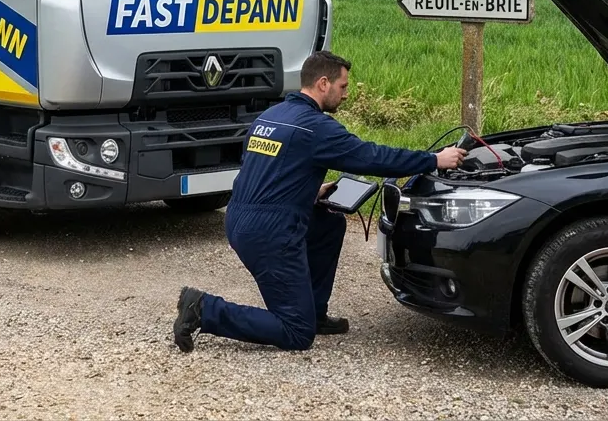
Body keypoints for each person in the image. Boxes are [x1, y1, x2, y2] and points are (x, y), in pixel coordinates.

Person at [172, 50, 466, 352]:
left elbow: (260, 170)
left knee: (328, 223)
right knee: (296, 332)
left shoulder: (268, 118)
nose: (347, 95)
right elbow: (371, 157)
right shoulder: (315, 128)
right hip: (270, 231)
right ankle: (205, 309)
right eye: (343, 87)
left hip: (241, 216)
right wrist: (433, 160)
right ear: (323, 83)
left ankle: (314, 312)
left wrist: (307, 191)